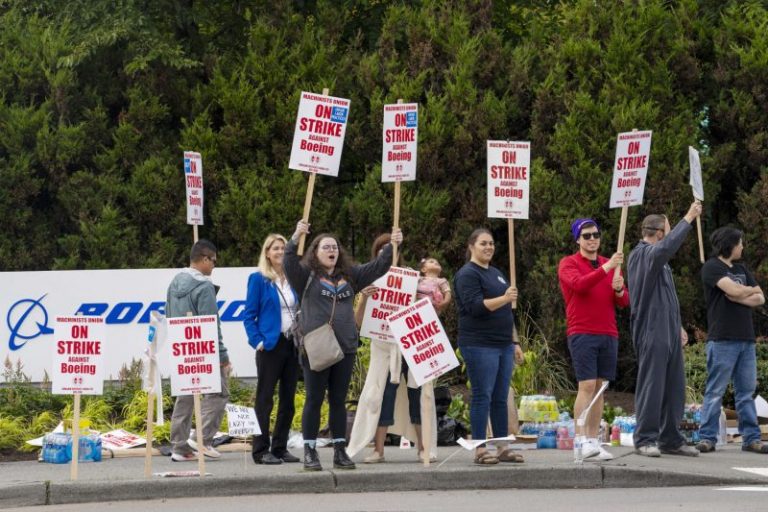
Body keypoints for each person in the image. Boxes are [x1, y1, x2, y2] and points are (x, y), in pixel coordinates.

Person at [285, 221, 402, 471]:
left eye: (335, 247)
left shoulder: (351, 275)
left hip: (345, 347)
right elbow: (289, 262)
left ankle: (340, 451)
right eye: (326, 247)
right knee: (314, 400)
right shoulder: (305, 277)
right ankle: (310, 452)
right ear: (315, 252)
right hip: (317, 347)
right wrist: (296, 236)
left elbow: (380, 266)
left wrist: (393, 244)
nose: (332, 250)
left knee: (338, 400)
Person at [347, 234, 437, 464]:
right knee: (381, 395)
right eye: (381, 251)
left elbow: (429, 309)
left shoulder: (411, 278)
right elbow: (358, 322)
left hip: (411, 343)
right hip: (384, 347)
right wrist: (365, 299)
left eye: (390, 250)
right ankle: (378, 450)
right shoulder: (370, 277)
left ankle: (423, 448)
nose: (385, 255)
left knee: (418, 394)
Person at [627, 201, 702, 457]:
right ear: (659, 234)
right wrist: (689, 217)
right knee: (653, 384)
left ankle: (670, 438)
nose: (669, 236)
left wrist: (678, 326)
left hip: (668, 328)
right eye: (668, 231)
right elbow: (666, 249)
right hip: (651, 328)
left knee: (674, 386)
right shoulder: (643, 254)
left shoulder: (658, 260)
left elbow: (665, 297)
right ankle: (645, 438)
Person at [558, 218, 629, 461]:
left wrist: (619, 289)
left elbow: (623, 301)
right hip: (582, 331)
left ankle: (593, 441)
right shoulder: (569, 263)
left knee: (599, 389)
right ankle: (580, 440)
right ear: (577, 239)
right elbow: (580, 285)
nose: (592, 239)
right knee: (586, 385)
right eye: (586, 235)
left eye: (595, 235)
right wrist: (608, 268)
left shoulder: (608, 264)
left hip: (608, 332)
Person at [454, 228, 524, 465]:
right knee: (482, 395)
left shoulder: (497, 274)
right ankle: (480, 449)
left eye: (492, 243)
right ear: (471, 246)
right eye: (483, 243)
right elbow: (475, 307)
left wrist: (514, 342)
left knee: (500, 397)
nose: (488, 247)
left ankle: (502, 446)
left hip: (503, 344)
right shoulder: (467, 274)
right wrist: (505, 298)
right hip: (479, 344)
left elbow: (506, 313)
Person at [696, 227, 767, 454]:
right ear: (730, 244)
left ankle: (751, 438)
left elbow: (760, 297)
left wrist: (741, 295)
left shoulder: (741, 268)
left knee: (746, 392)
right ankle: (707, 437)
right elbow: (732, 289)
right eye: (740, 243)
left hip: (746, 339)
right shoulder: (712, 267)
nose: (742, 246)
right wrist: (746, 291)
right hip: (722, 339)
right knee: (715, 391)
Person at [168, 239, 230, 462]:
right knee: (219, 392)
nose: (214, 266)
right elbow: (212, 323)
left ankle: (179, 446)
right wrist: (223, 356)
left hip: (183, 349)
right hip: (204, 348)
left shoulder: (174, 283)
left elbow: (168, 315)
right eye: (213, 261)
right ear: (204, 259)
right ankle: (202, 439)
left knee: (185, 394)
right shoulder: (204, 286)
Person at [243, 234, 301, 464]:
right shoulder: (258, 279)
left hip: (292, 344)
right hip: (270, 345)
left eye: (283, 248)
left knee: (288, 399)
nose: (279, 251)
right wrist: (257, 341)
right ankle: (260, 450)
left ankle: (280, 447)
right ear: (267, 253)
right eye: (275, 248)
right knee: (265, 399)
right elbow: (249, 316)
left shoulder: (294, 278)